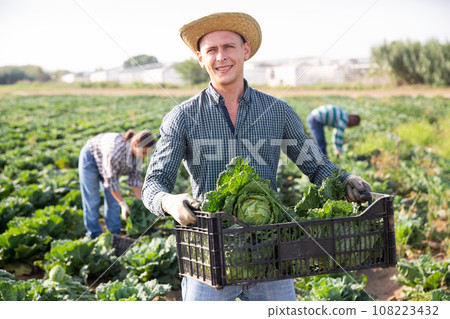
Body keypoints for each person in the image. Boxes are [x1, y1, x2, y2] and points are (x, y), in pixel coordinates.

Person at [142, 12, 372, 301]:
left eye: (229, 47)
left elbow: (316, 165)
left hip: (269, 254)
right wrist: (170, 200)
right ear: (200, 58)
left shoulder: (279, 111)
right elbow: (154, 183)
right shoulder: (182, 117)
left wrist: (345, 179)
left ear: (245, 51)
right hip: (209, 257)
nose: (221, 57)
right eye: (211, 50)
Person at [79, 129, 155, 239]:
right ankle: (93, 235)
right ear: (135, 144)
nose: (144, 156)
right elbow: (111, 182)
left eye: (146, 154)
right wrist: (123, 204)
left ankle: (114, 234)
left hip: (108, 167)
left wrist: (141, 202)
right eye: (143, 152)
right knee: (92, 199)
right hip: (91, 158)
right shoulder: (116, 152)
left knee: (113, 201)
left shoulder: (138, 156)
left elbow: (135, 180)